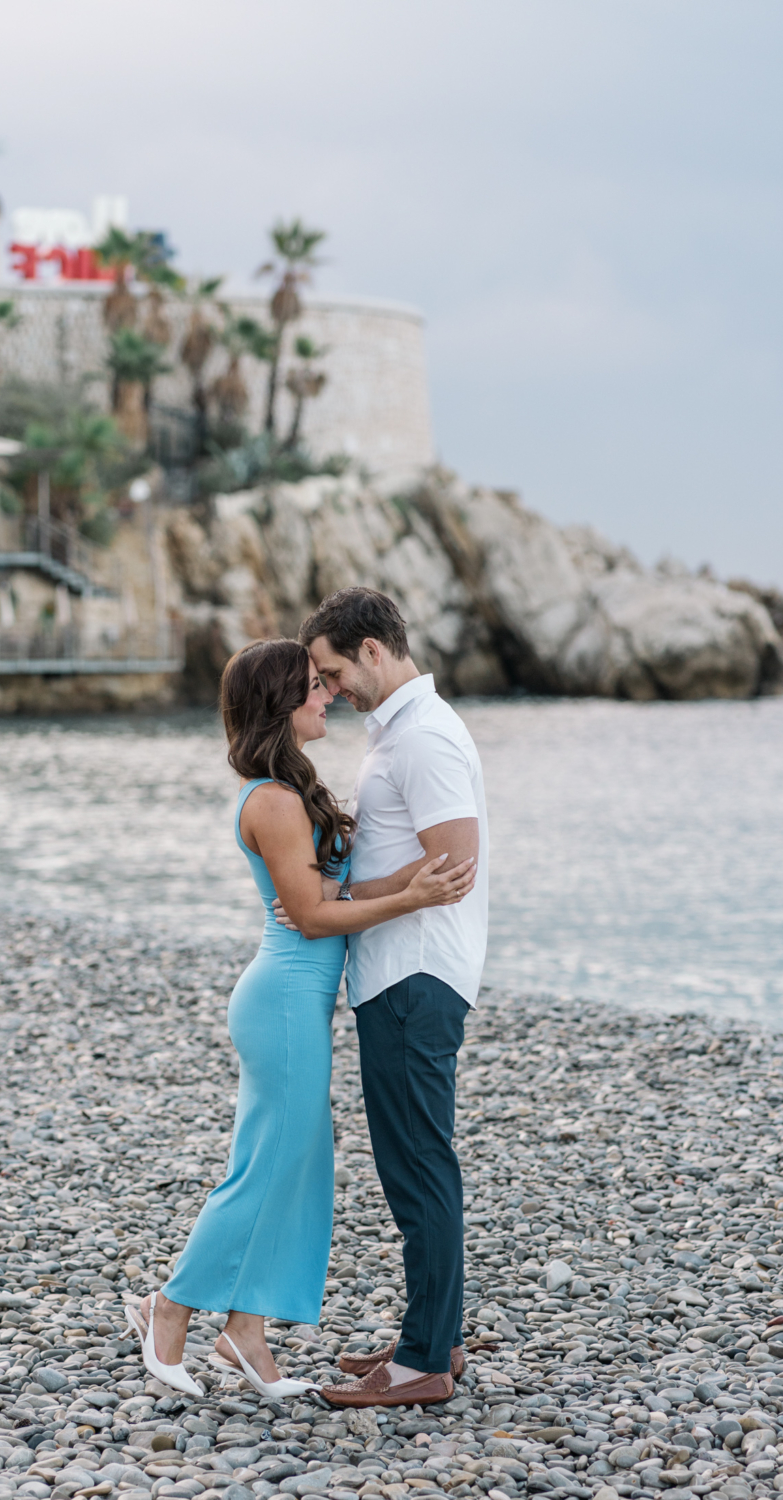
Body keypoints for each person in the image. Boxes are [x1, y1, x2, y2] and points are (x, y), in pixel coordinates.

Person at [125, 637, 476, 1401]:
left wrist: (415, 873)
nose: (326, 697)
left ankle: (247, 1335)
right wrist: (411, 899)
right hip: (282, 999)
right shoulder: (274, 800)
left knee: (302, 1168)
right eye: (313, 688)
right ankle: (170, 1305)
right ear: (280, 703)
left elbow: (330, 896)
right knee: (265, 1166)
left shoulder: (293, 788)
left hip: (298, 1002)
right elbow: (316, 918)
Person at [288, 587, 489, 1410]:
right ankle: (430, 1337)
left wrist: (332, 898)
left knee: (417, 1168)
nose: (330, 690)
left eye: (334, 672)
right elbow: (422, 860)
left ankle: (420, 1365)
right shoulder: (402, 734)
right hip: (396, 973)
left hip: (413, 975)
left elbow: (454, 862)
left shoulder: (426, 738)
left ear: (373, 650)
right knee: (412, 1164)